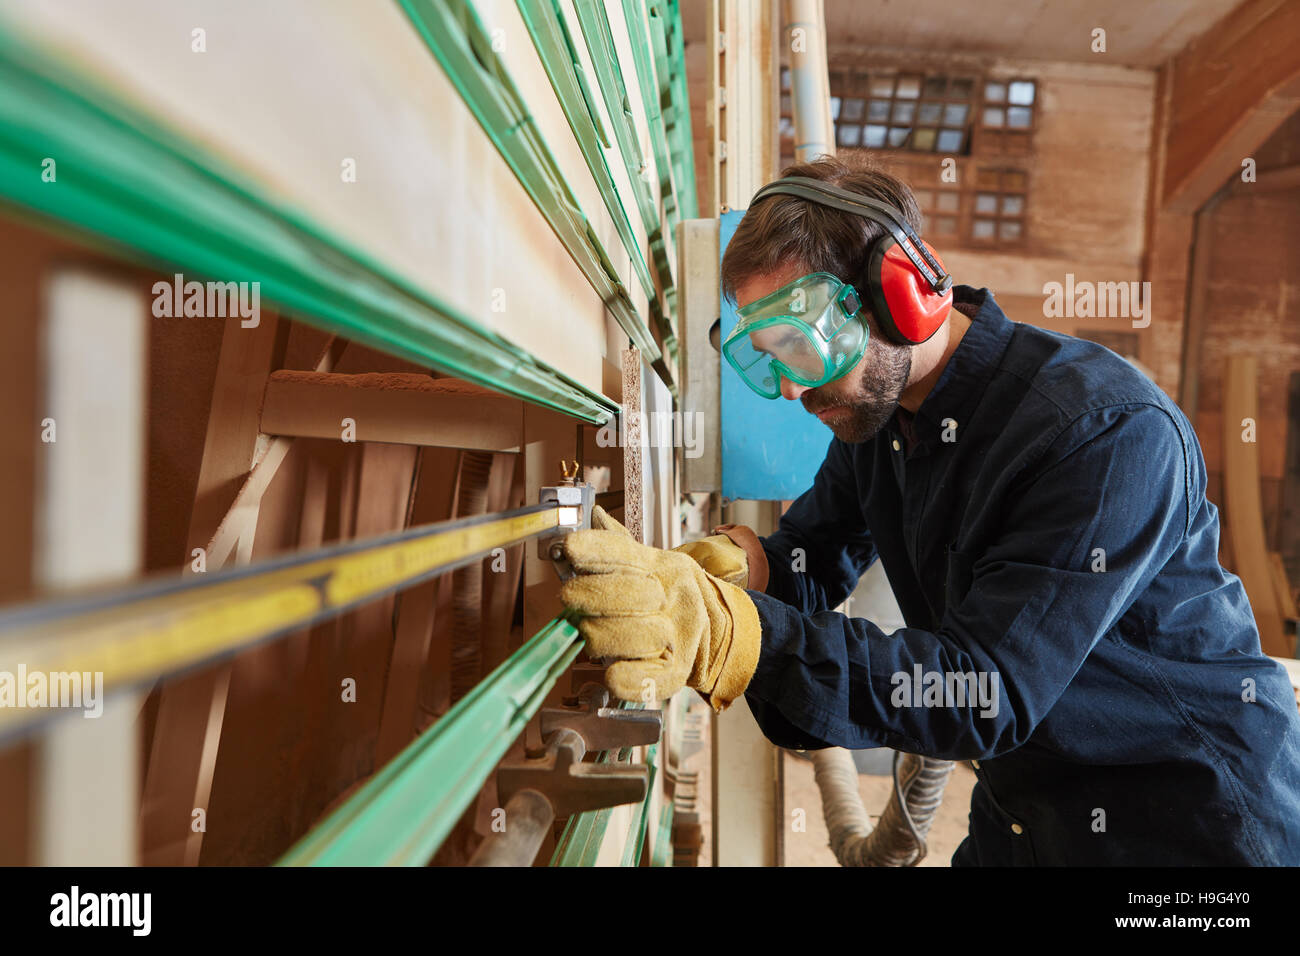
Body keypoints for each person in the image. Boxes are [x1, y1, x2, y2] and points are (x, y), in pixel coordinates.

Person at [559, 156, 1300, 865]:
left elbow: (985, 690)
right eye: (770, 359)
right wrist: (745, 567)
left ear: (903, 291)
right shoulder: (879, 418)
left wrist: (735, 632)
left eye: (804, 350)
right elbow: (813, 555)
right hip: (1025, 802)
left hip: (1191, 821)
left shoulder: (1102, 433)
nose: (790, 389)